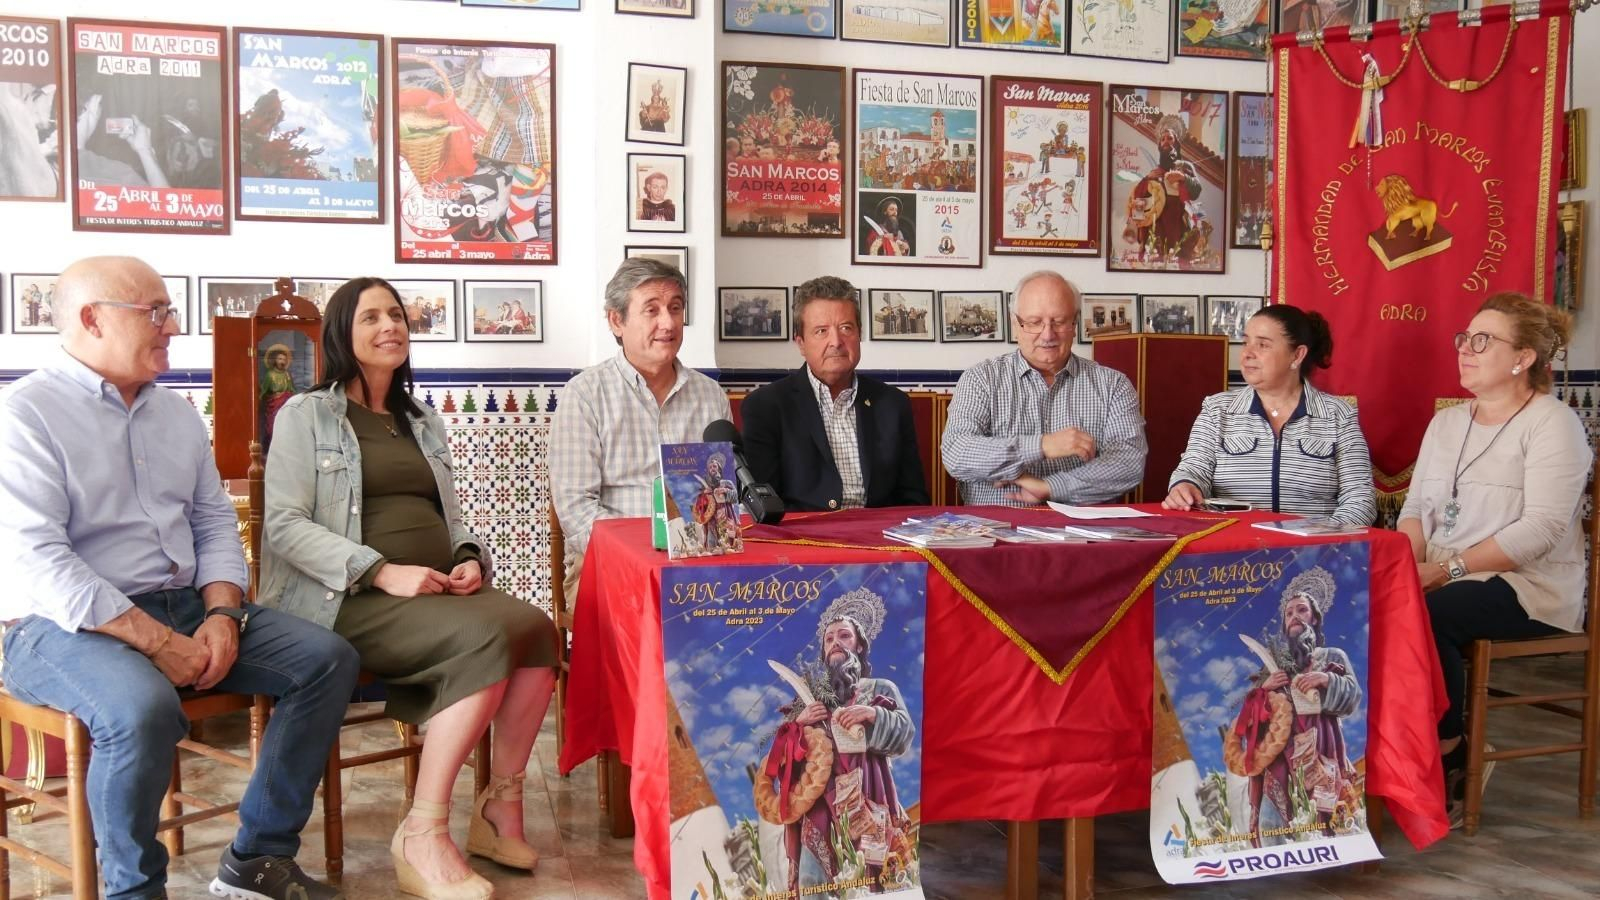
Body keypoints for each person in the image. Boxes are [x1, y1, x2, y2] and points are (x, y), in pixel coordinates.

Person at [0, 256, 359, 900]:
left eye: (169, 311)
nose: (172, 326)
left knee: (327, 660)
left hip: (184, 605)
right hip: (56, 627)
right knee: (140, 710)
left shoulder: (176, 413)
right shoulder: (25, 414)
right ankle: (133, 890)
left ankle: (257, 859)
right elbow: (40, 561)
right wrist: (159, 643)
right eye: (156, 312)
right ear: (92, 318)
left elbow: (214, 522)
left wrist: (222, 612)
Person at [260, 277, 558, 900]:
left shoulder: (420, 419)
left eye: (395, 314)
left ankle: (499, 809)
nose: (389, 326)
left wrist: (467, 556)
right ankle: (422, 832)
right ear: (342, 333)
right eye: (370, 317)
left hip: (430, 591)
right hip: (346, 599)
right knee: (483, 637)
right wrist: (379, 571)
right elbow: (284, 526)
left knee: (537, 630)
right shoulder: (305, 414)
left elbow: (451, 517)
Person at [1397, 293, 1592, 826]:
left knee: (1429, 613)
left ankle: (1450, 753)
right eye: (1464, 338)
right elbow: (1414, 510)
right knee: (1369, 602)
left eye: (1483, 341)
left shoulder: (1553, 423)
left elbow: (1541, 530)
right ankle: (1381, 757)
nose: (1465, 349)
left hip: (1527, 584)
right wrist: (1405, 569)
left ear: (1523, 358)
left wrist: (1444, 570)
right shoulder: (1446, 424)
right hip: (1441, 571)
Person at [551, 258, 730, 600]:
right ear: (616, 321)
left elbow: (722, 494)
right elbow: (576, 508)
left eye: (675, 308)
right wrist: (640, 558)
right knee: (653, 619)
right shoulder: (585, 394)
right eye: (652, 310)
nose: (668, 322)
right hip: (609, 563)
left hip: (697, 562)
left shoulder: (711, 396)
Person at [941, 271, 1146, 506]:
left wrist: (1050, 487)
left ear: (1074, 323)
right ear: (1015, 324)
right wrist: (1042, 446)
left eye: (1059, 321)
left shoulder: (1113, 385)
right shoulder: (981, 379)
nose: (1047, 335)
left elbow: (1128, 463)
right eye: (1034, 322)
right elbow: (957, 452)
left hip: (1083, 527)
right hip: (996, 524)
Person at [1163, 305, 1375, 525]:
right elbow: (1193, 470)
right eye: (1245, 342)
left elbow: (1360, 500)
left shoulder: (1338, 415)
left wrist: (1322, 538)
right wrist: (1185, 486)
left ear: (1297, 355)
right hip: (1235, 542)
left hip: (1318, 544)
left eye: (1262, 345)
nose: (1247, 354)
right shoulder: (1217, 409)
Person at [765, 588, 914, 894]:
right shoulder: (810, 699)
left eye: (844, 636)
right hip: (819, 806)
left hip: (867, 796)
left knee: (870, 877)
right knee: (812, 882)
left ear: (859, 645)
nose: (835, 642)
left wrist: (872, 713)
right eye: (829, 638)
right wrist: (799, 725)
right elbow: (784, 759)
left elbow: (904, 733)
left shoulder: (879, 688)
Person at [741, 276, 930, 512]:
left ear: (859, 334)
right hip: (804, 532)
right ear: (801, 343)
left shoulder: (892, 403)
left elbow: (913, 499)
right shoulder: (765, 407)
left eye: (846, 328)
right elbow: (765, 506)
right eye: (821, 331)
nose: (836, 341)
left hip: (880, 532)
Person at [1227, 568, 1362, 847]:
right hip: (1279, 756)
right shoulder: (1272, 667)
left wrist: (1326, 678)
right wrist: (1263, 690)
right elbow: (1252, 717)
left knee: (1322, 819)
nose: (1294, 617)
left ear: (1314, 618)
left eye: (1301, 610)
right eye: (1289, 613)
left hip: (1320, 748)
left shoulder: (1331, 656)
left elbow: (1353, 695)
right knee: (1270, 823)